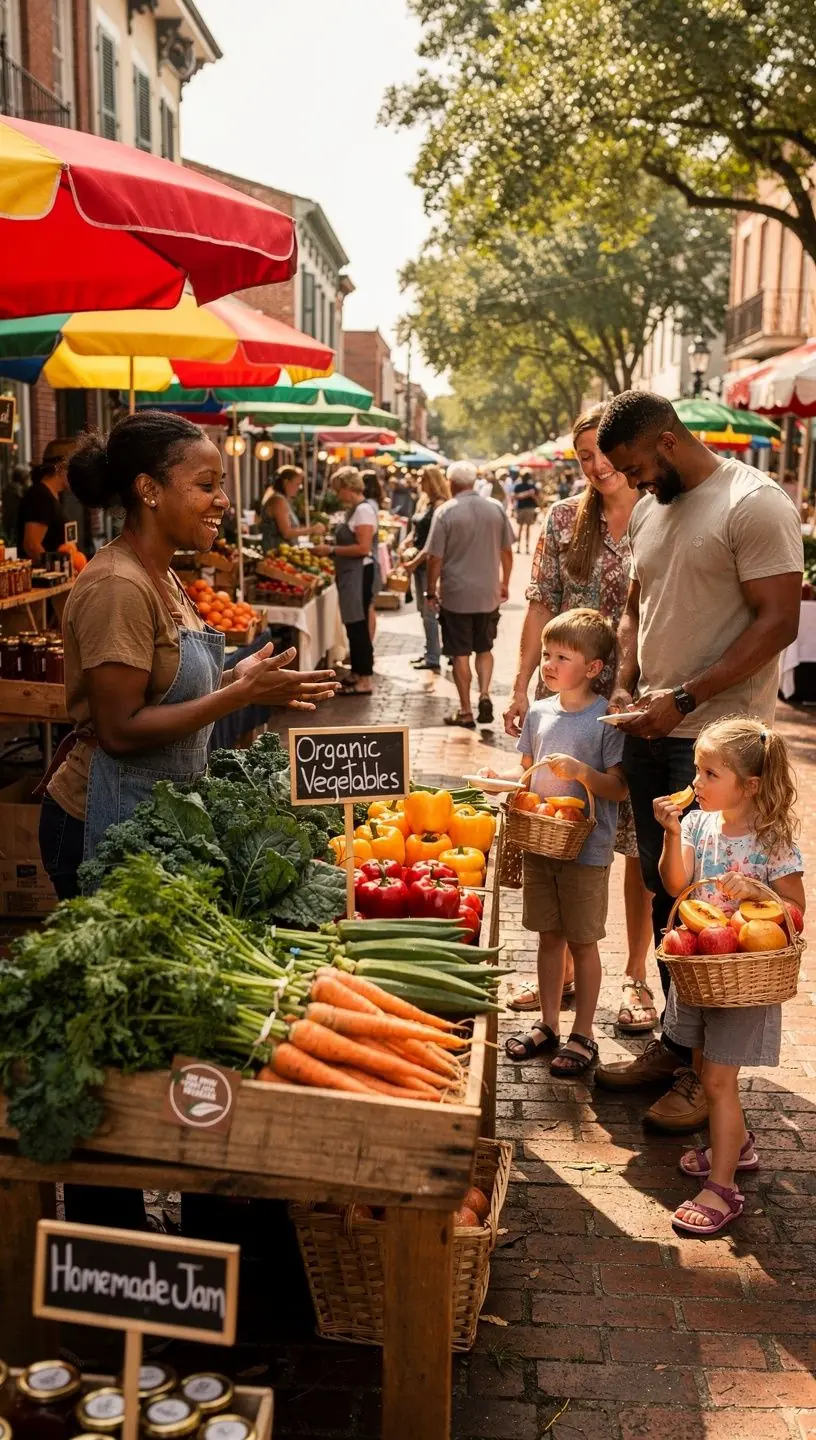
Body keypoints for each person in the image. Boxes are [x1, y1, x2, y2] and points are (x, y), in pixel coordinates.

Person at [593, 390, 803, 1132]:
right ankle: (677, 1045)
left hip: (716, 735)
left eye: (635, 465)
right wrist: (624, 679)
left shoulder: (755, 503)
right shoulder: (651, 508)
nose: (631, 480)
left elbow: (780, 620)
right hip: (651, 724)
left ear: (669, 441)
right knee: (666, 891)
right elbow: (634, 607)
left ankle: (705, 1076)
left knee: (718, 905)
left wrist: (682, 698)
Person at [39, 412, 339, 902]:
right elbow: (119, 731)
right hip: (101, 818)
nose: (222, 500)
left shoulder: (163, 575)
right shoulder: (119, 585)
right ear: (149, 490)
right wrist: (238, 696)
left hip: (153, 811)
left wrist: (230, 680)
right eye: (206, 485)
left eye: (220, 485)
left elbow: (161, 689)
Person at [504, 405, 654, 1035]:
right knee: (564, 823)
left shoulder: (657, 513)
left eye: (601, 452)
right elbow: (540, 602)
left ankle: (636, 978)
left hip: (641, 696)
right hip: (568, 692)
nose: (595, 466)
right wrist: (520, 682)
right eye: (584, 456)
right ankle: (561, 973)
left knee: (637, 848)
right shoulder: (566, 519)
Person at [653, 716, 804, 1234]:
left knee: (718, 1081)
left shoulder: (772, 840)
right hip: (700, 970)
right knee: (701, 1061)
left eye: (710, 773)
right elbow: (676, 885)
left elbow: (795, 910)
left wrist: (759, 894)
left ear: (750, 785)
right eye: (697, 770)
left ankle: (723, 1188)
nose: (697, 781)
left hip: (744, 977)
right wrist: (672, 835)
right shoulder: (697, 824)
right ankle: (734, 1145)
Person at [484, 609, 628, 1075]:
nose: (548, 664)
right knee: (549, 936)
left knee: (583, 942)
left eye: (561, 657)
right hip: (541, 842)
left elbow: (619, 788)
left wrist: (583, 773)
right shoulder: (540, 713)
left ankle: (583, 1033)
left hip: (587, 848)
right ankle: (548, 1024)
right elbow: (527, 771)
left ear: (593, 669)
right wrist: (498, 781)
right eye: (546, 654)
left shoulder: (606, 719)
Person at [426, 460, 514, 728]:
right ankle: (485, 694)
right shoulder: (495, 509)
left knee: (460, 654)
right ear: (473, 482)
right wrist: (504, 582)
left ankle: (465, 710)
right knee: (485, 648)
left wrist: (431, 590)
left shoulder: (445, 512)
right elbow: (507, 552)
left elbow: (434, 557)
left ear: (451, 483)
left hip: (456, 595)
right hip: (487, 593)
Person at [314, 466, 380, 697]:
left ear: (348, 488)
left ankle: (365, 679)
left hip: (359, 575)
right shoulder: (356, 510)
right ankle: (357, 672)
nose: (337, 495)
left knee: (358, 626)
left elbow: (363, 548)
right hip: (351, 575)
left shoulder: (363, 511)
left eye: (338, 490)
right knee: (353, 624)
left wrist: (331, 549)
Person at [399, 465, 450, 674]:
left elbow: (433, 544)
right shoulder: (424, 502)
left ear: (431, 480)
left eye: (422, 479)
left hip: (431, 565)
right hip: (419, 564)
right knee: (424, 611)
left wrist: (414, 561)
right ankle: (433, 650)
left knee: (433, 612)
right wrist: (406, 543)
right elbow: (416, 531)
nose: (419, 483)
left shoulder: (441, 506)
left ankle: (436, 655)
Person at [17, 437, 75, 559]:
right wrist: (57, 570)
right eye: (74, 468)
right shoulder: (40, 495)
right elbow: (31, 546)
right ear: (60, 467)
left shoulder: (51, 494)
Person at [258, 465, 322, 551]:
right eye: (297, 484)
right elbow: (286, 533)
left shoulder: (281, 498)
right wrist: (312, 530)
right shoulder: (278, 500)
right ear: (286, 482)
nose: (299, 488)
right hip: (277, 552)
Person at [512, 468, 539, 553]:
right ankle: (519, 546)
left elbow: (537, 499)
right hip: (522, 508)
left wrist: (532, 495)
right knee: (521, 528)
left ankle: (526, 547)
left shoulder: (532, 486)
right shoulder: (518, 486)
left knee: (526, 528)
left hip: (528, 508)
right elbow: (515, 496)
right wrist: (527, 494)